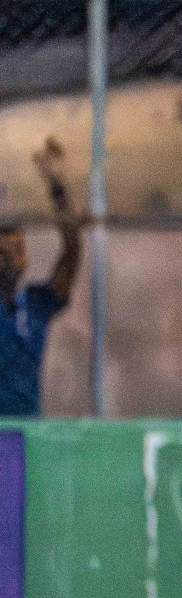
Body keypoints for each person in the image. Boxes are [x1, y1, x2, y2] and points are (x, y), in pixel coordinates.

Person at [0, 138, 81, 416]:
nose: (11, 257)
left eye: (18, 249)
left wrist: (57, 189)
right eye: (2, 251)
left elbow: (71, 251)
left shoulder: (33, 306)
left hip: (26, 442)